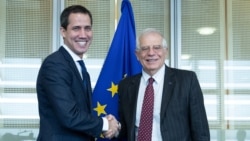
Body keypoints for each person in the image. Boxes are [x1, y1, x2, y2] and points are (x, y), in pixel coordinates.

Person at [36, 5, 119, 141]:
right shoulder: (55, 65)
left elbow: (81, 113)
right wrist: (105, 124)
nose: (83, 34)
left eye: (87, 28)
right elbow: (69, 116)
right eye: (76, 28)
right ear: (63, 32)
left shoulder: (79, 67)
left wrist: (104, 127)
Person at [117, 28, 210, 141]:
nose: (151, 53)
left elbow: (201, 131)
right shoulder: (125, 86)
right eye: (145, 48)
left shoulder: (187, 80)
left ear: (165, 51)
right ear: (137, 54)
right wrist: (113, 127)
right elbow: (126, 130)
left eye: (157, 47)